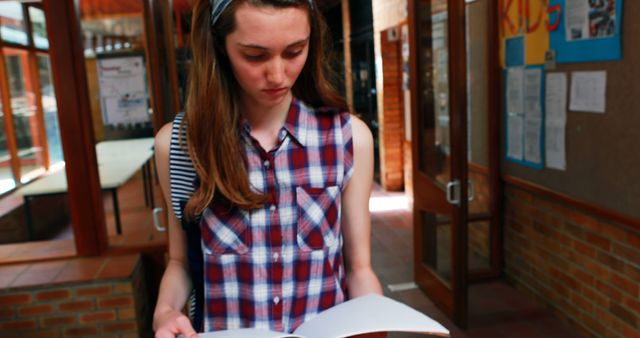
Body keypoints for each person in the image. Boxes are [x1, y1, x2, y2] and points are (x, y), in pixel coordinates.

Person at [152, 0, 382, 337]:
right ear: (220, 45)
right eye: (255, 55)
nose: (277, 75)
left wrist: (374, 319)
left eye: (294, 51)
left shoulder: (349, 139)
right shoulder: (180, 144)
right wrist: (165, 312)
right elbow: (181, 263)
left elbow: (359, 269)